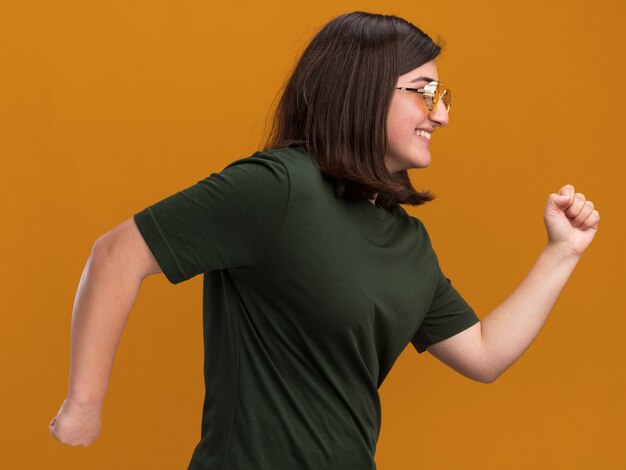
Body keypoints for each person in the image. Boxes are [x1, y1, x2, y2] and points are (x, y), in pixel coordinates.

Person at [49, 10, 600, 469]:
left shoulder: (408, 242)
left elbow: (483, 354)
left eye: (443, 93)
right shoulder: (280, 187)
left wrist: (561, 252)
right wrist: (83, 405)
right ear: (360, 90)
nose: (443, 114)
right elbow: (117, 253)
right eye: (424, 92)